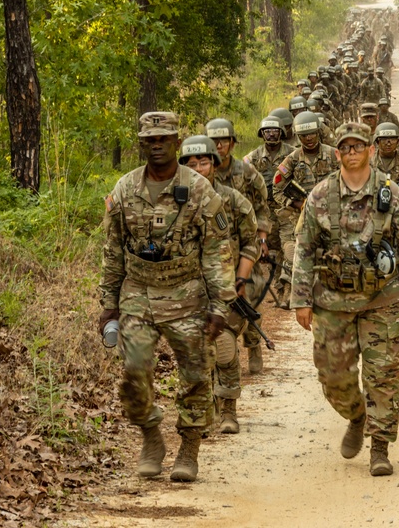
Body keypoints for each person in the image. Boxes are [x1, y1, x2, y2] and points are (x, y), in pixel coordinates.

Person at [291, 122, 399, 477]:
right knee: (333, 377)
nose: (353, 152)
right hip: (332, 301)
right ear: (337, 153)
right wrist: (300, 299)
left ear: (371, 151)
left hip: (382, 299)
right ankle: (356, 416)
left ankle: (380, 447)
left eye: (359, 146)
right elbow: (304, 248)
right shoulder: (320, 196)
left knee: (383, 375)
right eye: (346, 147)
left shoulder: (392, 194)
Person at [98, 112, 235, 482]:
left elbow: (217, 249)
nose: (157, 145)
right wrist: (108, 303)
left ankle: (189, 449)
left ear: (176, 142)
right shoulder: (125, 189)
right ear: (141, 144)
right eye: (149, 140)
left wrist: (220, 305)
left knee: (195, 376)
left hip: (187, 294)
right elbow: (113, 250)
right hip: (137, 294)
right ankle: (150, 437)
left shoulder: (199, 188)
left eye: (164, 138)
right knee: (133, 373)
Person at [178, 135, 259, 434]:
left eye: (203, 161)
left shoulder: (233, 200)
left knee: (224, 349)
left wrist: (241, 276)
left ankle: (229, 409)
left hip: (226, 288)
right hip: (187, 289)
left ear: (214, 163)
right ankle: (203, 409)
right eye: (191, 163)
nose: (198, 168)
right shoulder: (176, 201)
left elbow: (252, 242)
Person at [205, 118, 272, 373]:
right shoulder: (197, 173)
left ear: (232, 142)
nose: (219, 145)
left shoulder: (246, 172)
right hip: (213, 253)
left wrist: (262, 239)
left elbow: (261, 208)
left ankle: (253, 344)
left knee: (249, 298)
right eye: (213, 141)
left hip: (244, 242)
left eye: (223, 140)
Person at [273, 111, 339, 309]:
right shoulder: (291, 160)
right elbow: (276, 190)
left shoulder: (333, 154)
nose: (308, 139)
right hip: (301, 217)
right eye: (303, 136)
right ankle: (288, 293)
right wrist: (295, 204)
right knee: (293, 252)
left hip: (332, 214)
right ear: (297, 136)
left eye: (312, 134)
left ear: (318, 132)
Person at [244, 115, 295, 276]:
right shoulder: (253, 157)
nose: (271, 134)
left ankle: (284, 288)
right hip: (264, 211)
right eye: (267, 131)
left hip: (287, 209)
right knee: (266, 248)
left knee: (288, 247)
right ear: (262, 134)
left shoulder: (292, 154)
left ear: (281, 132)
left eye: (275, 130)